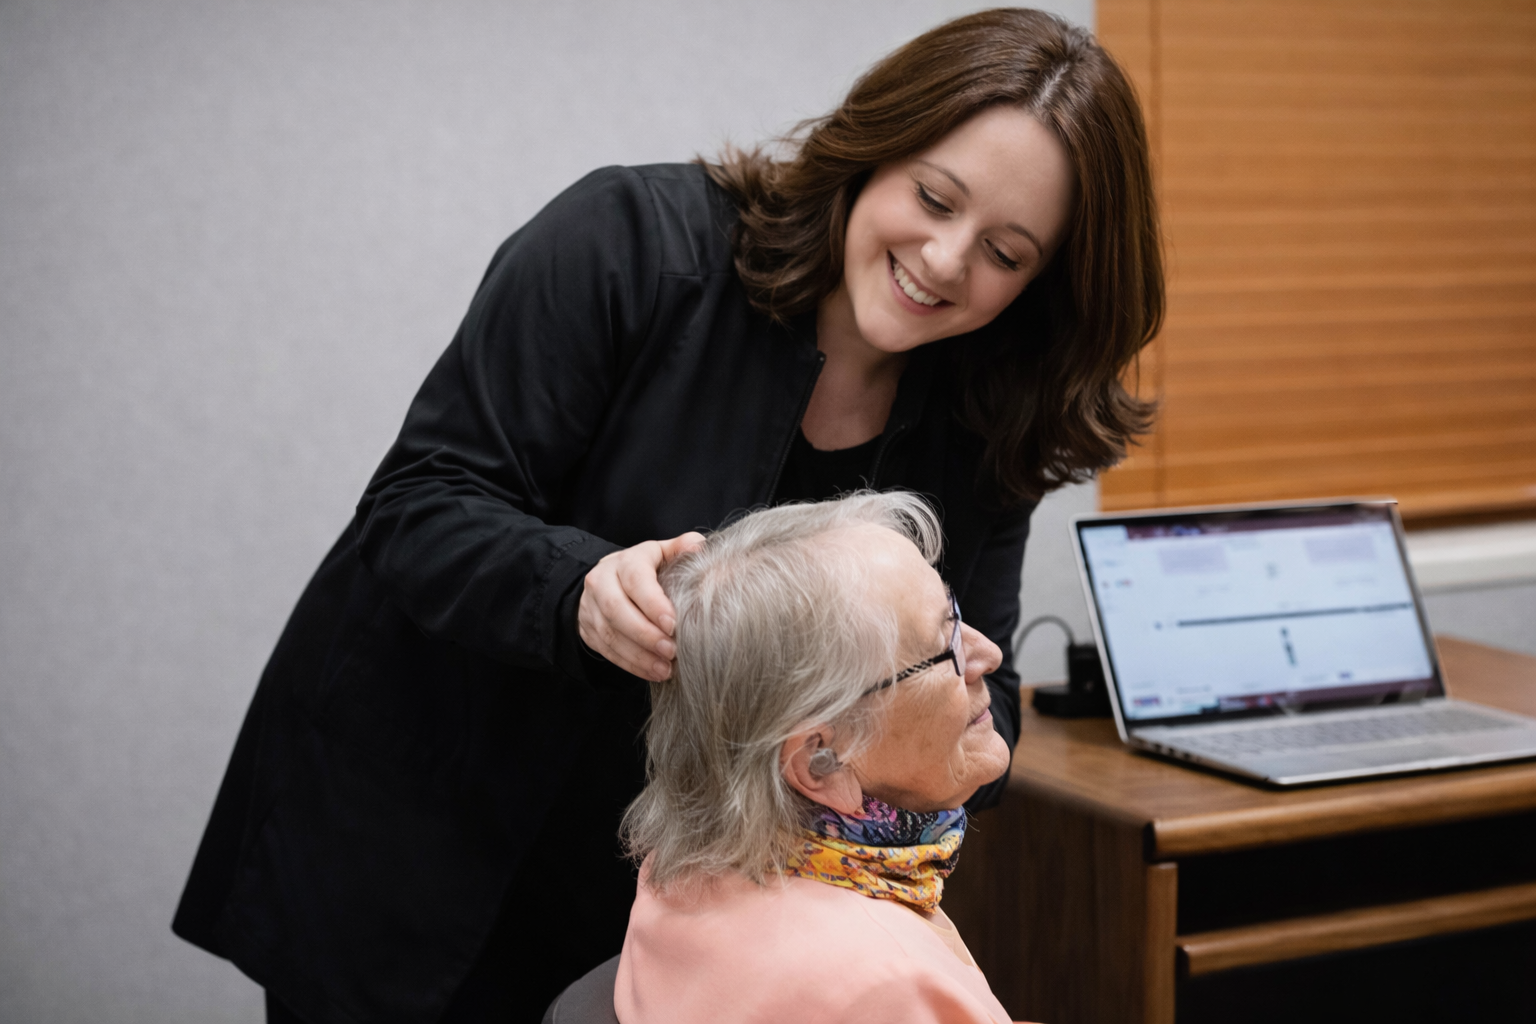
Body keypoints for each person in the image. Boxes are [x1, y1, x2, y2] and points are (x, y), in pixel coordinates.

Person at [172, 8, 1161, 1024]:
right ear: (875, 145)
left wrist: (937, 724)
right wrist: (576, 589)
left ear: (1043, 283)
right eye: (933, 197)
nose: (948, 261)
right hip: (417, 826)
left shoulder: (990, 418)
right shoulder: (629, 246)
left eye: (1004, 252)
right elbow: (419, 505)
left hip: (673, 908)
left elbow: (977, 715)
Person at [614, 492, 1023, 1024]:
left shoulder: (673, 876)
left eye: (957, 614)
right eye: (944, 646)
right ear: (820, 761)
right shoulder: (887, 985)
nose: (987, 652)